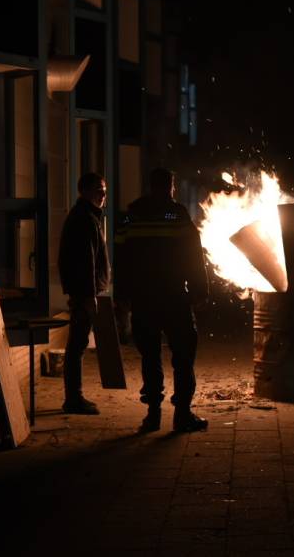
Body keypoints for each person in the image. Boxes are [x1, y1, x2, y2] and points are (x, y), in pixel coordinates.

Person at [114, 168, 210, 433]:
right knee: (183, 354)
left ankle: (153, 415)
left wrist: (121, 295)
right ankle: (182, 415)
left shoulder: (131, 216)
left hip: (143, 298)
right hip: (173, 296)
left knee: (150, 355)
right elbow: (193, 254)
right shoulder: (176, 215)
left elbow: (121, 258)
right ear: (170, 186)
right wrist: (201, 290)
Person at [57, 172, 110, 415]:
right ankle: (74, 399)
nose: (103, 194)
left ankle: (74, 397)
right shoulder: (84, 219)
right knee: (77, 345)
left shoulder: (87, 217)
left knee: (77, 344)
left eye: (104, 190)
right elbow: (85, 261)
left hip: (83, 291)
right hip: (83, 293)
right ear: (86, 191)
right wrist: (89, 296)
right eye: (99, 190)